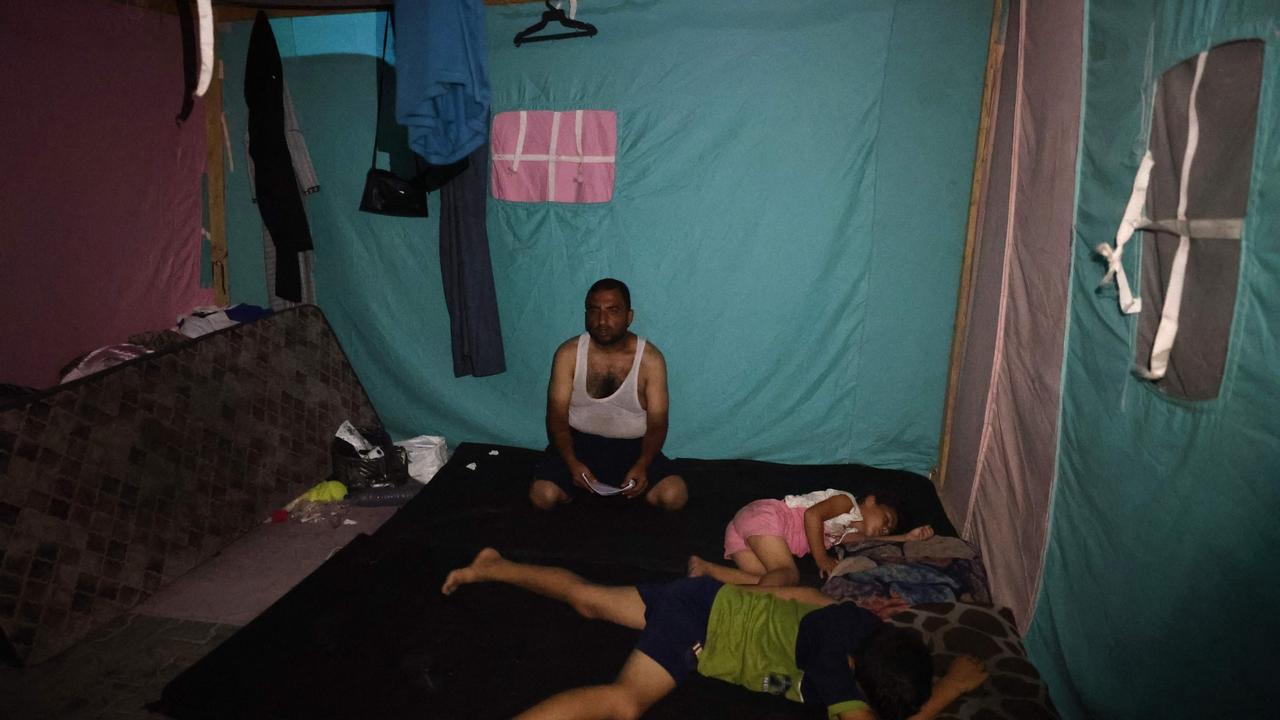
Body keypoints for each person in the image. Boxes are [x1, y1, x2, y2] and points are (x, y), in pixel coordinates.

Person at [441, 548, 987, 720]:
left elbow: (801, 596)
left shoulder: (862, 623)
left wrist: (740, 591)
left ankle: (493, 566)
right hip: (701, 627)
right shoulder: (831, 664)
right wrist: (950, 691)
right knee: (625, 703)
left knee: (587, 599)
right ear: (851, 673)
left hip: (709, 602)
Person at [529, 278, 688, 510]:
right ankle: (577, 491)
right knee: (541, 495)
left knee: (675, 495)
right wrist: (572, 464)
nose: (602, 320)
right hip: (577, 444)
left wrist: (643, 464)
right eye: (594, 311)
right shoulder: (568, 354)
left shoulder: (650, 360)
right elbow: (556, 418)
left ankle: (629, 490)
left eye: (613, 310)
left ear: (629, 316)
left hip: (633, 449)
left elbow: (657, 424)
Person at [688, 491, 935, 587]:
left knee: (766, 581)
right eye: (887, 520)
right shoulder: (846, 503)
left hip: (746, 533)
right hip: (767, 517)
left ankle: (707, 569)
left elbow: (861, 544)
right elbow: (812, 516)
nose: (884, 530)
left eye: (887, 531)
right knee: (788, 573)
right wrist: (821, 558)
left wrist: (905, 537)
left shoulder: (846, 534)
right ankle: (747, 609)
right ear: (871, 500)